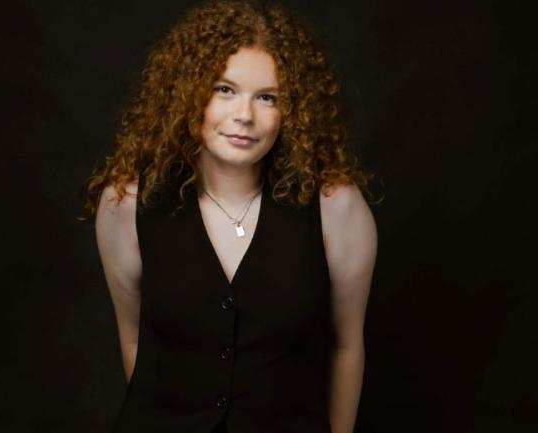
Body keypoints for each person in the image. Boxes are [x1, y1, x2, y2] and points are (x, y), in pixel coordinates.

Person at [80, 1, 378, 432]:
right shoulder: (126, 204)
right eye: (224, 89)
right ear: (188, 92)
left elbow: (346, 346)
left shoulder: (337, 207)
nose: (244, 115)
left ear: (293, 111)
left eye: (267, 97)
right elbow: (133, 339)